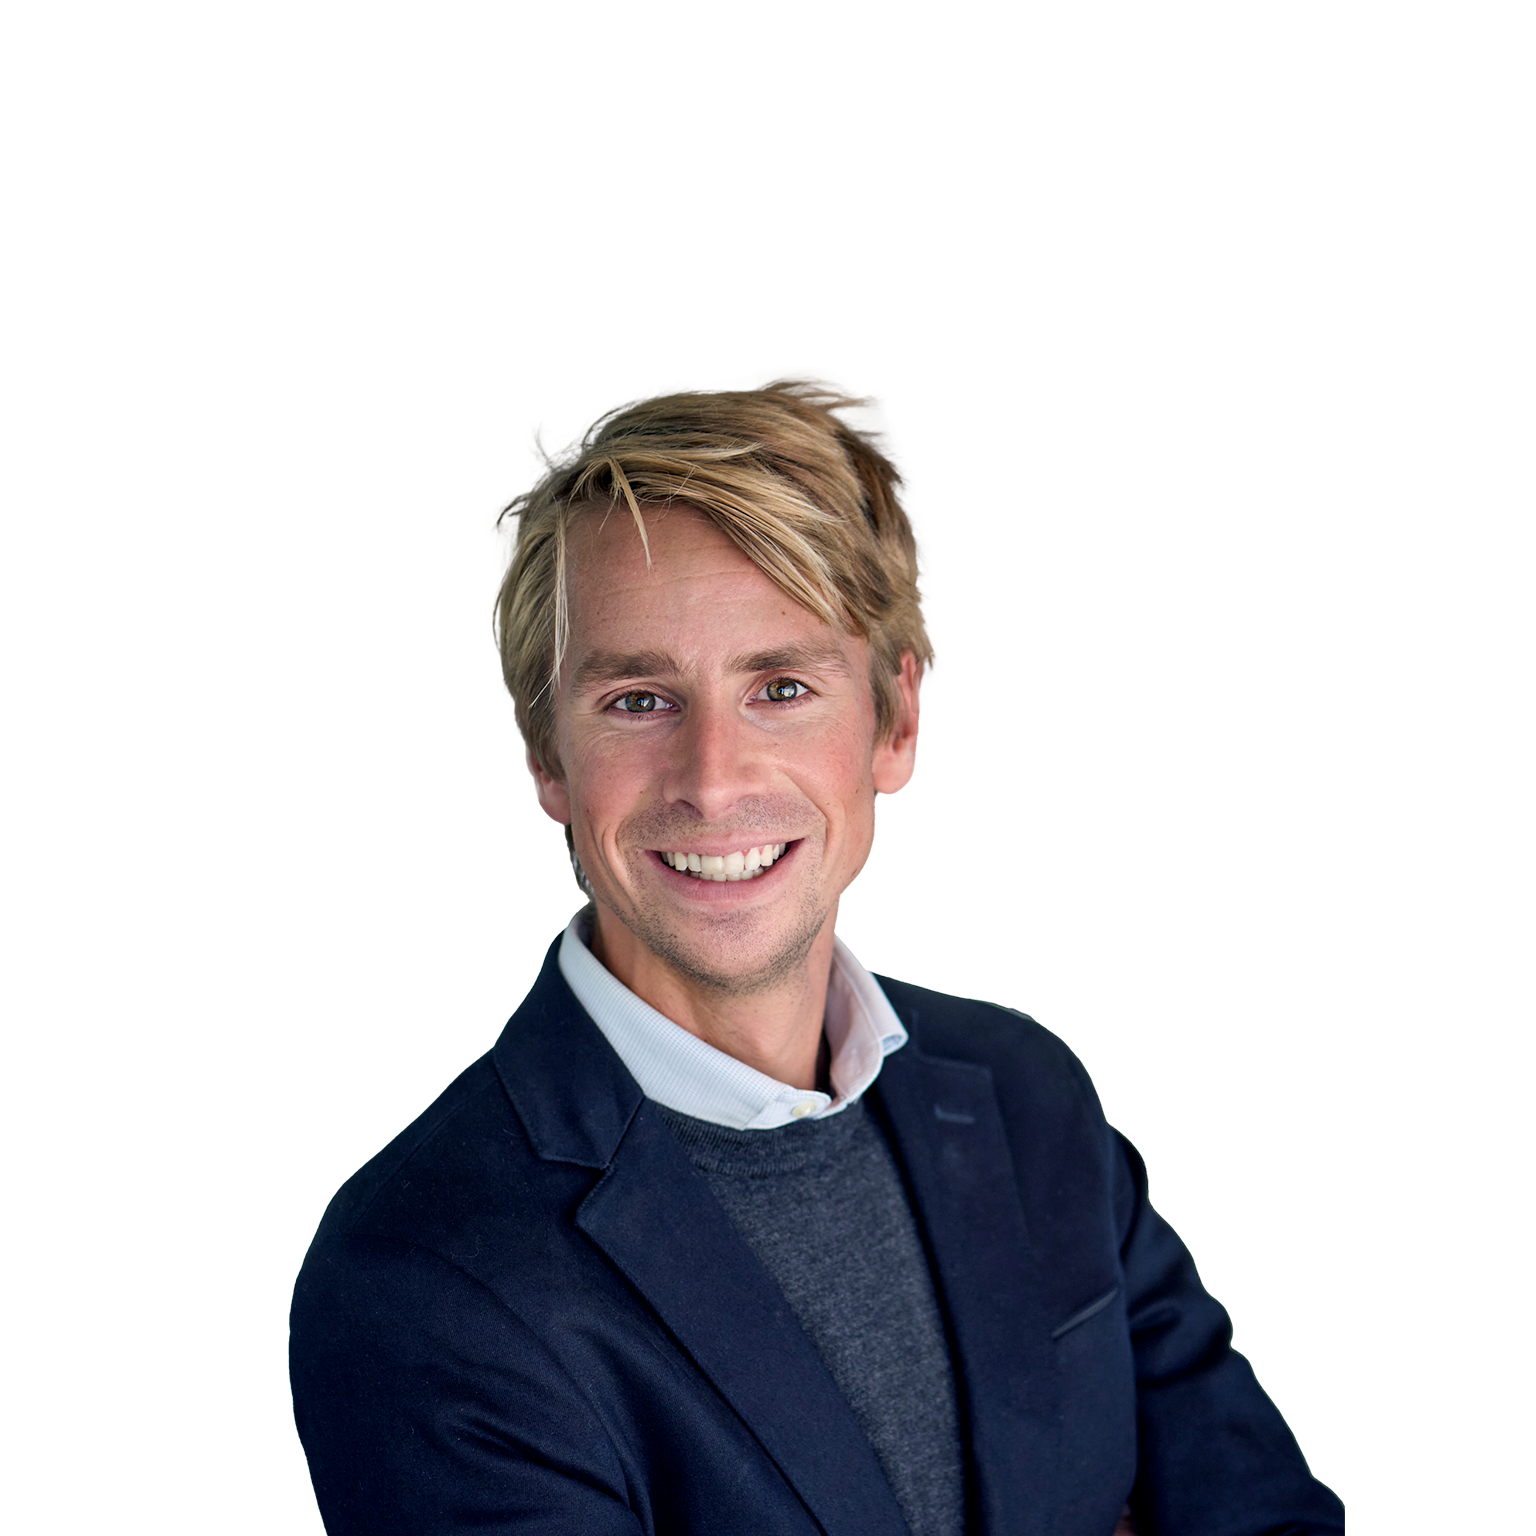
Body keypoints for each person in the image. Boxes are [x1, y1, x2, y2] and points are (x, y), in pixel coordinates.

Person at [290, 383, 1343, 1535]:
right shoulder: (422, 1274)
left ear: (895, 722)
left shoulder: (1027, 1095)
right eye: (638, 700)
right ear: (549, 757)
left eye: (781, 688)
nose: (713, 779)